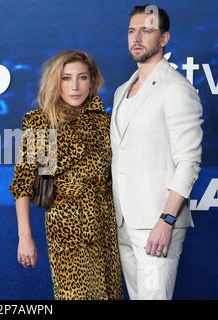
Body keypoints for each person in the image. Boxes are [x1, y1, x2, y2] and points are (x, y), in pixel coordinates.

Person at [9, 50, 123, 300]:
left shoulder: (105, 122)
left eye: (82, 78)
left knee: (109, 294)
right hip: (67, 224)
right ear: (55, 82)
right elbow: (23, 182)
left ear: (92, 81)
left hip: (106, 223)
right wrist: (25, 237)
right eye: (66, 78)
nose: (74, 86)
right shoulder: (40, 121)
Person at [111, 4, 203, 300]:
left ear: (164, 39)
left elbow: (189, 161)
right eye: (131, 30)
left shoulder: (176, 88)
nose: (136, 37)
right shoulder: (122, 90)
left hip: (157, 222)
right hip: (124, 220)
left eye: (147, 30)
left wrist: (166, 220)